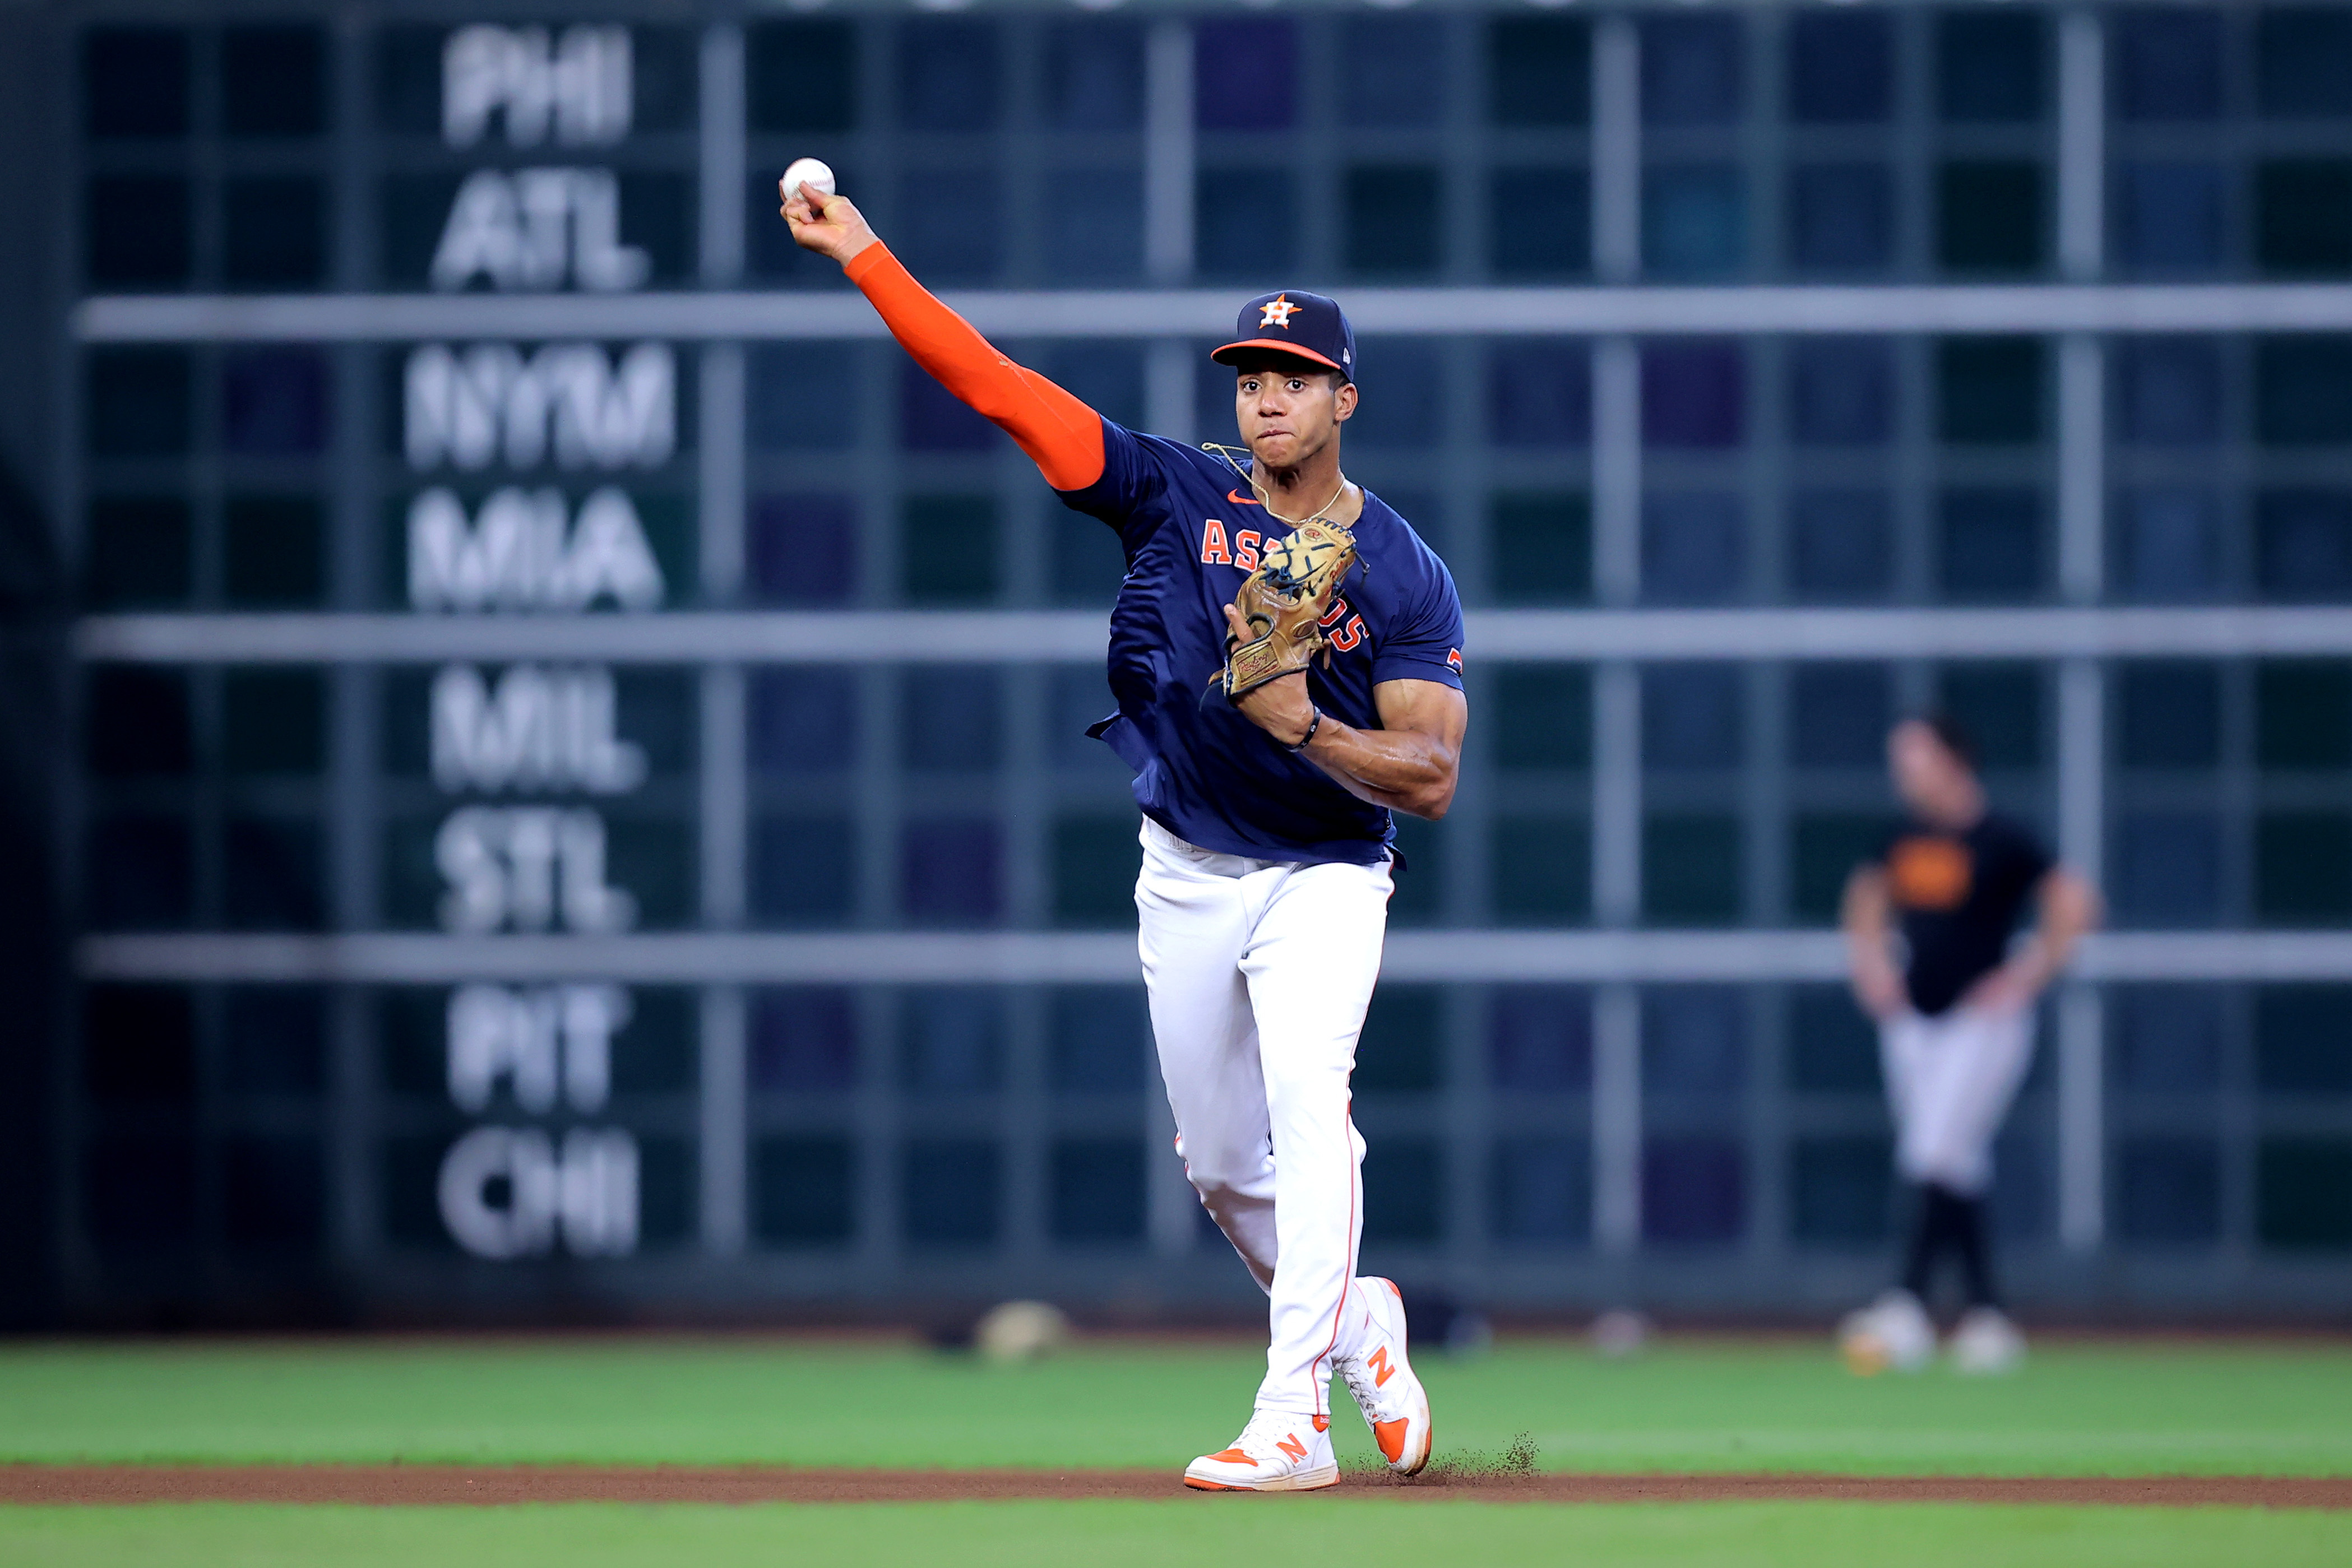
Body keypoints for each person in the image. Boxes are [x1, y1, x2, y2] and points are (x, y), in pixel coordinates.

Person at [782, 176, 1465, 1489]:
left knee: (1310, 1106)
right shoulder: (1168, 493)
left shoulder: (1395, 565)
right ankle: (1357, 1321)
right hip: (1190, 866)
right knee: (1217, 1162)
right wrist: (864, 249)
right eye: (1250, 374)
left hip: (1327, 868)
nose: (1266, 394)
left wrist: (1300, 726)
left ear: (1344, 402)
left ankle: (1292, 1421)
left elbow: (1430, 774)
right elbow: (992, 385)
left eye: (1296, 374)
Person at [1836, 715, 2099, 1375]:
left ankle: (1906, 1302)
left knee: (1932, 1149)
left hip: (1979, 1022)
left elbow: (2073, 900)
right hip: (1913, 1021)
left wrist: (2029, 972)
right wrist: (1869, 966)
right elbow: (1864, 897)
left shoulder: (2001, 836)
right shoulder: (1901, 833)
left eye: (1914, 758)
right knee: (1956, 1161)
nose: (1903, 772)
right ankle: (1987, 1315)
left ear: (1953, 760)